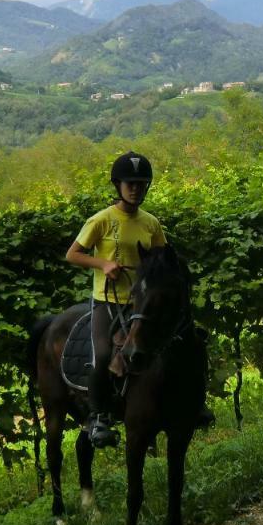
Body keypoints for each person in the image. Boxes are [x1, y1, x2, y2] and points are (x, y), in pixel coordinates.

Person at [66, 151, 213, 448]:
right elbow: (73, 254)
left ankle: (191, 406)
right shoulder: (101, 220)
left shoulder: (151, 223)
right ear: (117, 185)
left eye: (141, 184)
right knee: (105, 353)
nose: (135, 189)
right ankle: (99, 417)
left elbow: (164, 259)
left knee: (187, 343)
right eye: (129, 183)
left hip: (143, 303)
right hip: (108, 301)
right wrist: (104, 264)